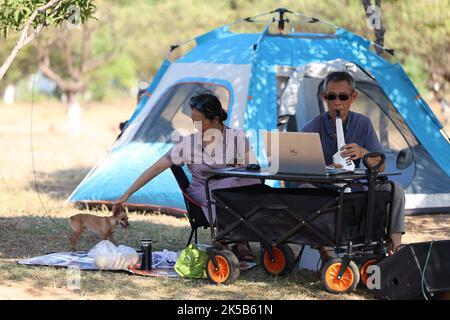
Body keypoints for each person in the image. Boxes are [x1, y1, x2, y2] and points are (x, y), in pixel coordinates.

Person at [112, 93, 261, 261]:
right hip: (204, 190)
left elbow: (253, 168)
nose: (196, 126)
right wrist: (126, 194)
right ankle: (229, 239)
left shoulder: (237, 137)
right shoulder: (188, 144)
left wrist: (237, 165)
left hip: (234, 186)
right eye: (193, 120)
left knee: (250, 184)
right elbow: (155, 168)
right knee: (226, 189)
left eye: (200, 121)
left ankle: (240, 238)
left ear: (216, 119)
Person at [302, 71, 405, 253]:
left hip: (358, 188)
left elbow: (381, 167)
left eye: (343, 96)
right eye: (331, 96)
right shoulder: (311, 128)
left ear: (353, 97)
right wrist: (325, 169)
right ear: (324, 97)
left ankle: (395, 245)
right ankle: (326, 251)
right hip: (325, 190)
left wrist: (364, 153)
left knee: (395, 189)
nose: (337, 102)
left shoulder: (363, 124)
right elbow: (300, 170)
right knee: (304, 190)